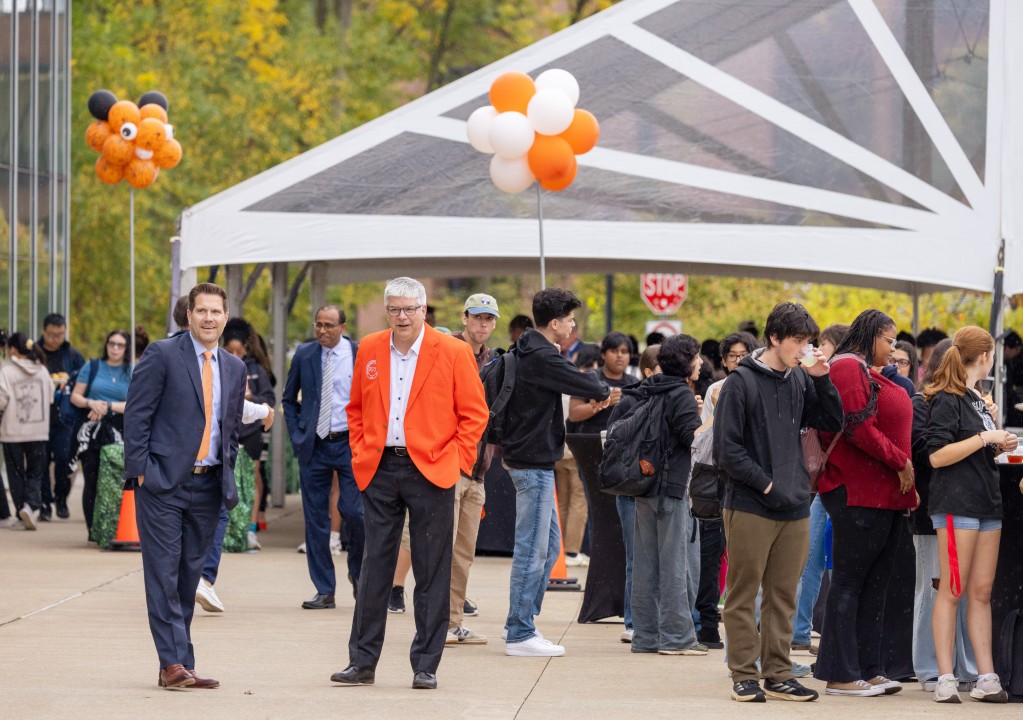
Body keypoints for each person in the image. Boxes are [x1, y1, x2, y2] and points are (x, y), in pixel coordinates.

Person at [331, 277, 488, 690]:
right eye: (395, 309)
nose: (402, 316)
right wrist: (361, 452)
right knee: (374, 569)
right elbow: (356, 409)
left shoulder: (452, 351)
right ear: (388, 312)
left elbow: (474, 415)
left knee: (432, 569)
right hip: (380, 468)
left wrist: (457, 465)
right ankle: (362, 663)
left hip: (433, 470)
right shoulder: (369, 347)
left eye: (410, 309)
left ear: (424, 310)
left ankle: (425, 665)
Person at [714, 302, 843, 703]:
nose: (804, 348)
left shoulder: (799, 380)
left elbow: (832, 421)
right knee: (742, 592)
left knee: (783, 593)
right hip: (751, 503)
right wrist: (767, 486)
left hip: (795, 504)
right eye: (798, 341)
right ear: (774, 338)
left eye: (808, 341)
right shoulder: (741, 382)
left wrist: (822, 379)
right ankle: (743, 673)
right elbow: (726, 450)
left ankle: (777, 671)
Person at [123, 282, 247, 690]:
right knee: (162, 572)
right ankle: (175, 663)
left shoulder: (234, 367)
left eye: (215, 312)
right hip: (162, 483)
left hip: (209, 486)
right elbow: (137, 416)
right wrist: (140, 472)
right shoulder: (162, 354)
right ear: (189, 315)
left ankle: (177, 664)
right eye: (201, 311)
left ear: (225, 317)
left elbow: (228, 429)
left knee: (188, 576)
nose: (208, 318)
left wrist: (227, 471)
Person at [500, 288, 610, 657]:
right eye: (570, 320)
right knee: (532, 550)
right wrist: (603, 390)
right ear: (554, 323)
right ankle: (519, 632)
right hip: (532, 462)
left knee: (546, 550)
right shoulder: (542, 355)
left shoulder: (529, 349)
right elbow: (591, 385)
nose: (573, 326)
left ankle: (522, 622)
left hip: (533, 459)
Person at [814, 310, 916, 697]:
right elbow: (858, 427)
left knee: (874, 586)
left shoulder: (866, 371)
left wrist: (905, 483)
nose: (893, 349)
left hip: (881, 494)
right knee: (849, 583)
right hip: (856, 492)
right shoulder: (846, 368)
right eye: (889, 340)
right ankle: (840, 673)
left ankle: (868, 668)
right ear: (871, 334)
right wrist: (900, 460)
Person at [924, 326, 1017, 704]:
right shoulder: (947, 398)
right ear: (984, 357)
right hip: (956, 504)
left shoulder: (978, 400)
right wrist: (986, 438)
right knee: (953, 589)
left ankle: (986, 675)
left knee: (981, 592)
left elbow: (974, 450)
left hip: (986, 502)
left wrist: (998, 443)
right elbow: (936, 455)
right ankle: (945, 677)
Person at [624, 335, 704, 655]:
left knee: (646, 565)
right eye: (696, 357)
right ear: (685, 361)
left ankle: (645, 636)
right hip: (672, 488)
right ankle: (675, 637)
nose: (700, 362)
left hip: (645, 485)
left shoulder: (649, 389)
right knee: (674, 564)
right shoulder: (681, 394)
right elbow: (694, 439)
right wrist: (713, 417)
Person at [282, 304, 364, 609]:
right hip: (314, 445)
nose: (322, 331)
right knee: (315, 519)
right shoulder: (305, 354)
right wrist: (297, 432)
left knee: (355, 513)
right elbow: (289, 399)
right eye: (318, 324)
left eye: (329, 325)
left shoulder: (359, 353)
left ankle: (358, 575)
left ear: (342, 327)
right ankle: (324, 588)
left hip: (348, 444)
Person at [909, 338, 977, 691]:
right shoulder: (923, 403)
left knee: (956, 590)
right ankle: (929, 666)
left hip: (961, 508)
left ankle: (962, 666)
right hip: (931, 510)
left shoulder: (969, 403)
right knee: (933, 589)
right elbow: (926, 453)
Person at [693, 331, 760, 649]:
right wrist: (719, 410)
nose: (738, 360)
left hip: (752, 481)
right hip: (715, 480)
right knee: (711, 552)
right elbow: (704, 440)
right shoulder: (715, 391)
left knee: (748, 557)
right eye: (733, 355)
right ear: (723, 360)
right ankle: (707, 623)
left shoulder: (762, 388)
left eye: (744, 354)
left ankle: (752, 627)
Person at [791, 323, 848, 655]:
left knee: (823, 557)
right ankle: (802, 628)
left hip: (832, 478)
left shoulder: (834, 379)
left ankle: (810, 628)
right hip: (825, 477)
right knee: (815, 556)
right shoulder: (812, 378)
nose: (814, 351)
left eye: (821, 345)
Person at [446, 292, 499, 645]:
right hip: (449, 467)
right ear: (464, 318)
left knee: (463, 555)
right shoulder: (447, 351)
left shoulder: (495, 361)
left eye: (489, 318)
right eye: (478, 317)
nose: (483, 324)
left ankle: (451, 624)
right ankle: (435, 622)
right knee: (439, 550)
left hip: (479, 470)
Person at [612, 344, 661, 644]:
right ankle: (633, 620)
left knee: (657, 557)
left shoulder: (673, 400)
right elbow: (615, 442)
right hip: (632, 490)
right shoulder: (629, 401)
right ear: (647, 372)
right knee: (636, 557)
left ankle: (652, 618)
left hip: (659, 489)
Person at [69, 329, 132, 538]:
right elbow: (75, 396)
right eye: (111, 343)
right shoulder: (93, 366)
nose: (114, 348)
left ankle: (112, 527)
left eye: (120, 345)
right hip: (93, 430)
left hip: (119, 431)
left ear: (126, 348)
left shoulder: (131, 371)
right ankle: (92, 530)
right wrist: (91, 402)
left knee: (116, 479)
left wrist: (108, 405)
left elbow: (135, 404)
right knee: (92, 478)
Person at [0, 333, 55, 530]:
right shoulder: (42, 370)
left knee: (16, 473)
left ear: (13, 350)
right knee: (35, 471)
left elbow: (1, 400)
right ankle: (30, 506)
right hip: (38, 431)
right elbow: (50, 397)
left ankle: (21, 512)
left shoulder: (7, 372)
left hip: (12, 431)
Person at [37, 313, 85, 520]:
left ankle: (61, 498)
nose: (55, 339)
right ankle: (45, 503)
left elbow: (83, 379)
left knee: (64, 459)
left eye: (60, 334)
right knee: (42, 460)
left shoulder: (73, 355)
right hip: (40, 415)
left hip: (66, 417)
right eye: (51, 334)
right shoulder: (35, 353)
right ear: (43, 331)